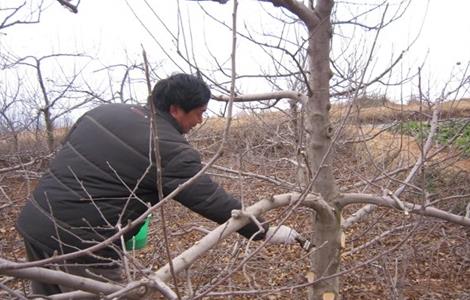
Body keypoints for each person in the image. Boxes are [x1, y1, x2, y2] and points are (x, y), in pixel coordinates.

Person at [16, 73, 299, 296]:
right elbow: (209, 199)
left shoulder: (102, 112)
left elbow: (69, 159)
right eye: (199, 112)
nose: (200, 121)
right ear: (175, 109)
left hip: (36, 223)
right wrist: (263, 231)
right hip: (84, 245)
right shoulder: (169, 147)